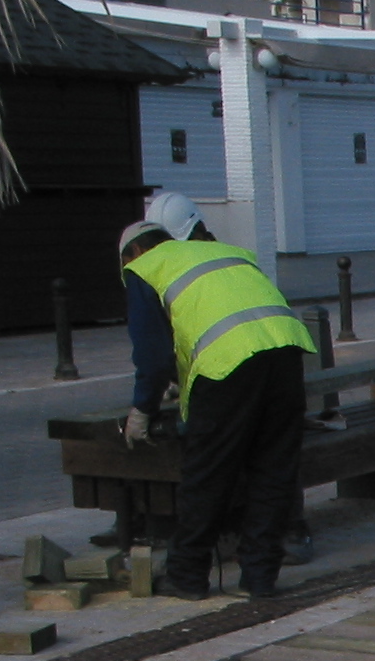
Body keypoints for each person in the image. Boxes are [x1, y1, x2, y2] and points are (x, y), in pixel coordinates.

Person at [120, 206, 315, 601]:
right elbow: (213, 319)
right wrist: (182, 379)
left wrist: (142, 409)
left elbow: (152, 356)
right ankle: (260, 578)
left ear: (133, 252)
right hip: (286, 356)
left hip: (229, 368)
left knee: (208, 472)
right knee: (272, 471)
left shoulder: (143, 269)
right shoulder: (225, 253)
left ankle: (187, 576)